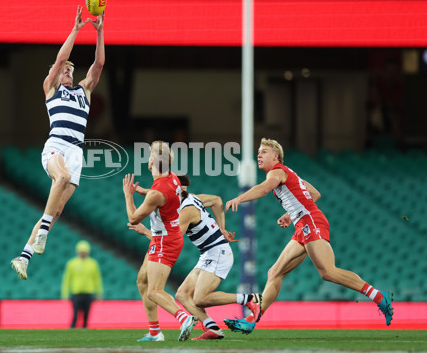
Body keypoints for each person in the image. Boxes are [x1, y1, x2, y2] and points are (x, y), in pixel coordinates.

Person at [222, 138, 394, 333]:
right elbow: (314, 193)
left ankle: (380, 297)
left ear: (276, 156)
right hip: (302, 224)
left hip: (311, 221)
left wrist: (239, 198)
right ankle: (251, 320)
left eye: (264, 152)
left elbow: (263, 189)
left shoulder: (277, 172)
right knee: (274, 272)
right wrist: (290, 215)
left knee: (328, 272)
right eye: (259, 151)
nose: (259, 155)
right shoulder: (288, 174)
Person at [11, 6, 105, 280]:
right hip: (57, 146)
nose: (67, 70)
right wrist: (76, 29)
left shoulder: (84, 91)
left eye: (69, 69)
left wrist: (99, 32)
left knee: (56, 211)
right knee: (60, 177)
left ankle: (24, 256)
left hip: (77, 153)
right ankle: (41, 235)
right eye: (63, 68)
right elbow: (60, 57)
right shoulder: (51, 88)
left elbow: (98, 65)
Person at [130, 174, 257, 340]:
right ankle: (213, 329)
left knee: (199, 298)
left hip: (217, 251)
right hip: (209, 252)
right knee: (182, 295)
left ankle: (249, 299)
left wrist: (145, 231)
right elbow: (217, 200)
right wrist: (222, 229)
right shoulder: (192, 198)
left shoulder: (185, 211)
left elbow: (171, 240)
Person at [123, 141, 198, 342]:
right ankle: (155, 332)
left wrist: (128, 195)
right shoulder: (171, 178)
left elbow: (133, 218)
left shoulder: (157, 193)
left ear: (152, 162)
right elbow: (161, 194)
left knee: (154, 291)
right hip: (165, 236)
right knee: (142, 281)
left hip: (165, 240)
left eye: (149, 156)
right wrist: (144, 192)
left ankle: (184, 318)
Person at [61, 240, 103, 328]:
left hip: (88, 292)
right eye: (81, 252)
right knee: (75, 314)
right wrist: (65, 292)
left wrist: (99, 292)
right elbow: (67, 279)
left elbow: (97, 279)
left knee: (86, 315)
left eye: (84, 252)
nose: (83, 253)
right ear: (78, 251)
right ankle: (72, 330)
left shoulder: (93, 264)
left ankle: (84, 330)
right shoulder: (72, 263)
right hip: (76, 292)